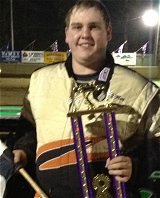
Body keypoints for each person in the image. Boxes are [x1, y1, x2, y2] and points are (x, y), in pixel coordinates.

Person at [12, 0, 160, 197]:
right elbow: (30, 131)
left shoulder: (140, 89)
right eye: (77, 27)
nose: (85, 34)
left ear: (108, 32)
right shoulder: (40, 80)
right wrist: (22, 151)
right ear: (67, 34)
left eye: (94, 27)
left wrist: (136, 164)